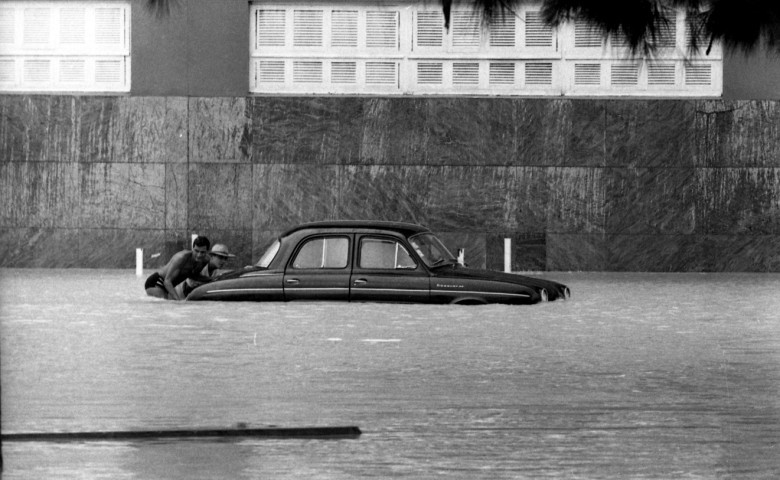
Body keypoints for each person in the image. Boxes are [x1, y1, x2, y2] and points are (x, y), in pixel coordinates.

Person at [144, 236, 213, 300]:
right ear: (192, 249)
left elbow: (193, 276)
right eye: (196, 251)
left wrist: (211, 279)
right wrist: (178, 301)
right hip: (157, 282)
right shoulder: (181, 258)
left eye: (202, 252)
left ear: (207, 251)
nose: (199, 255)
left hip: (168, 286)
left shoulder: (206, 260)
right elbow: (167, 281)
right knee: (166, 303)